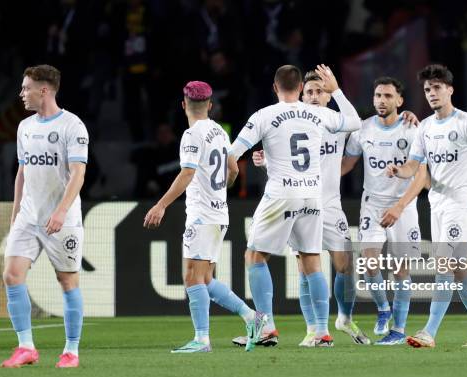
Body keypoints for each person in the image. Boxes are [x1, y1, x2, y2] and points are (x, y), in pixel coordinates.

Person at [385, 64, 467, 347]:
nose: (431, 93)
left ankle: (429, 332)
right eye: (427, 89)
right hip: (438, 204)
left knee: (444, 263)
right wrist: (400, 170)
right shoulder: (426, 127)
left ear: (450, 89)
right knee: (457, 267)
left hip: (463, 204)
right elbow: (414, 167)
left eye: (436, 88)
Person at [229, 64, 361, 347]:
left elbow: (234, 152)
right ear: (301, 88)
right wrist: (336, 89)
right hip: (312, 196)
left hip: (280, 195)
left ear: (275, 88)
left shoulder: (264, 115)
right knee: (312, 260)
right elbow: (355, 121)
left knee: (254, 257)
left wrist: (230, 175)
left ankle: (266, 327)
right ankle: (323, 333)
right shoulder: (318, 113)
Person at [143, 81, 266, 353]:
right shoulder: (220, 132)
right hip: (219, 212)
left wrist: (161, 205)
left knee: (192, 278)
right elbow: (233, 170)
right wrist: (221, 187)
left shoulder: (191, 134)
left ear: (183, 104)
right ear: (210, 105)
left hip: (202, 215)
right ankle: (252, 317)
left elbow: (187, 173)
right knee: (205, 279)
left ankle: (202, 340)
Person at [2, 64, 88, 368]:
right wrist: (15, 216)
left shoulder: (72, 126)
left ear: (44, 90)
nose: (21, 94)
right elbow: (22, 173)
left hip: (62, 220)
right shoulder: (25, 127)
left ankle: (71, 351)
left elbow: (78, 174)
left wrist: (61, 212)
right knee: (11, 275)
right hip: (29, 216)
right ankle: (26, 347)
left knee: (67, 281)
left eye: (26, 88)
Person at [342, 77, 429, 345]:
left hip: (403, 206)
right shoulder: (362, 130)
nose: (382, 100)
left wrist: (400, 205)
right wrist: (316, 178)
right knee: (369, 263)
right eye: (378, 95)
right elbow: (346, 165)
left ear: (399, 101)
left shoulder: (412, 130)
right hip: (373, 203)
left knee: (401, 270)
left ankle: (399, 331)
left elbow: (421, 176)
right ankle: (383, 308)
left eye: (388, 96)